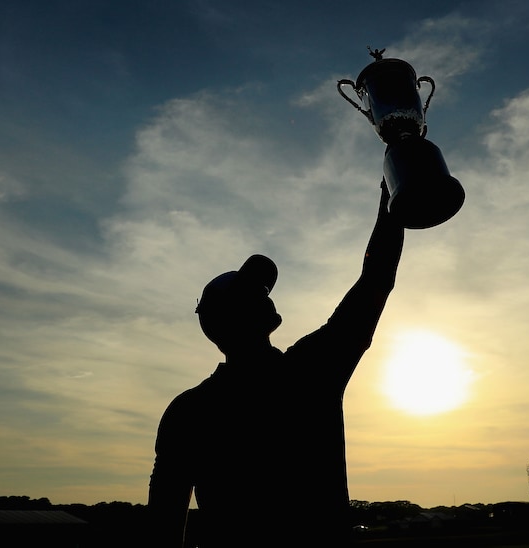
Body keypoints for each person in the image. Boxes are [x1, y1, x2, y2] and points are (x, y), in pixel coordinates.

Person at [149, 181, 404, 547]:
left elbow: (162, 526)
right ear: (226, 320)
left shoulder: (187, 409)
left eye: (262, 290)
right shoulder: (310, 370)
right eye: (250, 293)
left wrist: (395, 191)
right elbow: (376, 278)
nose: (263, 294)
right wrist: (393, 192)